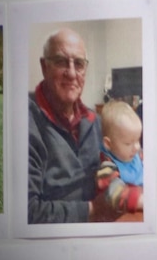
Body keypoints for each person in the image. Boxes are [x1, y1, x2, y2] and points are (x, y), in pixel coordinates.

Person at [28, 28, 117, 223]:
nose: (71, 73)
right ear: (44, 67)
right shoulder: (25, 122)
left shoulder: (95, 122)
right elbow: (28, 212)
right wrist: (92, 209)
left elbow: (119, 164)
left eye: (78, 64)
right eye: (61, 61)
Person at [96, 100, 144, 215]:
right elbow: (115, 194)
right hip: (122, 217)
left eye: (138, 140)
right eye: (128, 143)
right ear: (108, 144)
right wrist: (146, 201)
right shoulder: (106, 166)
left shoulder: (136, 155)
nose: (136, 147)